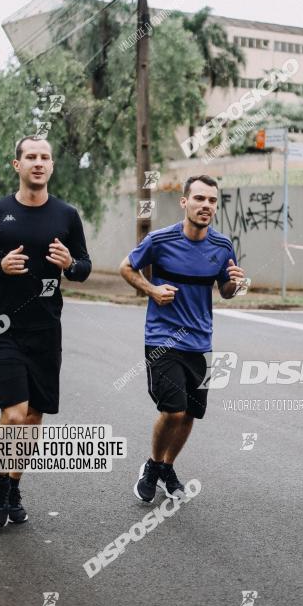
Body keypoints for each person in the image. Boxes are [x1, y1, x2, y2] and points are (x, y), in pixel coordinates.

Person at [0, 136, 91, 528]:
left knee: (34, 416)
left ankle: (13, 482)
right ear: (16, 164)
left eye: (45, 157)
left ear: (52, 166)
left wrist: (71, 263)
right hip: (3, 327)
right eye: (31, 157)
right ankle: (0, 484)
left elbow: (84, 267)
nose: (39, 163)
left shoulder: (67, 215)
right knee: (15, 415)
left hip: (46, 333)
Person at [119, 175, 246, 503]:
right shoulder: (160, 241)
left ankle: (166, 467)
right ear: (184, 202)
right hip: (163, 339)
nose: (206, 206)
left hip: (201, 343)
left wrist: (235, 283)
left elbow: (226, 292)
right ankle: (152, 465)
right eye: (200, 199)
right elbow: (127, 268)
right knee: (174, 411)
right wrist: (152, 290)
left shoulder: (222, 246)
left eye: (212, 201)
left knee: (190, 413)